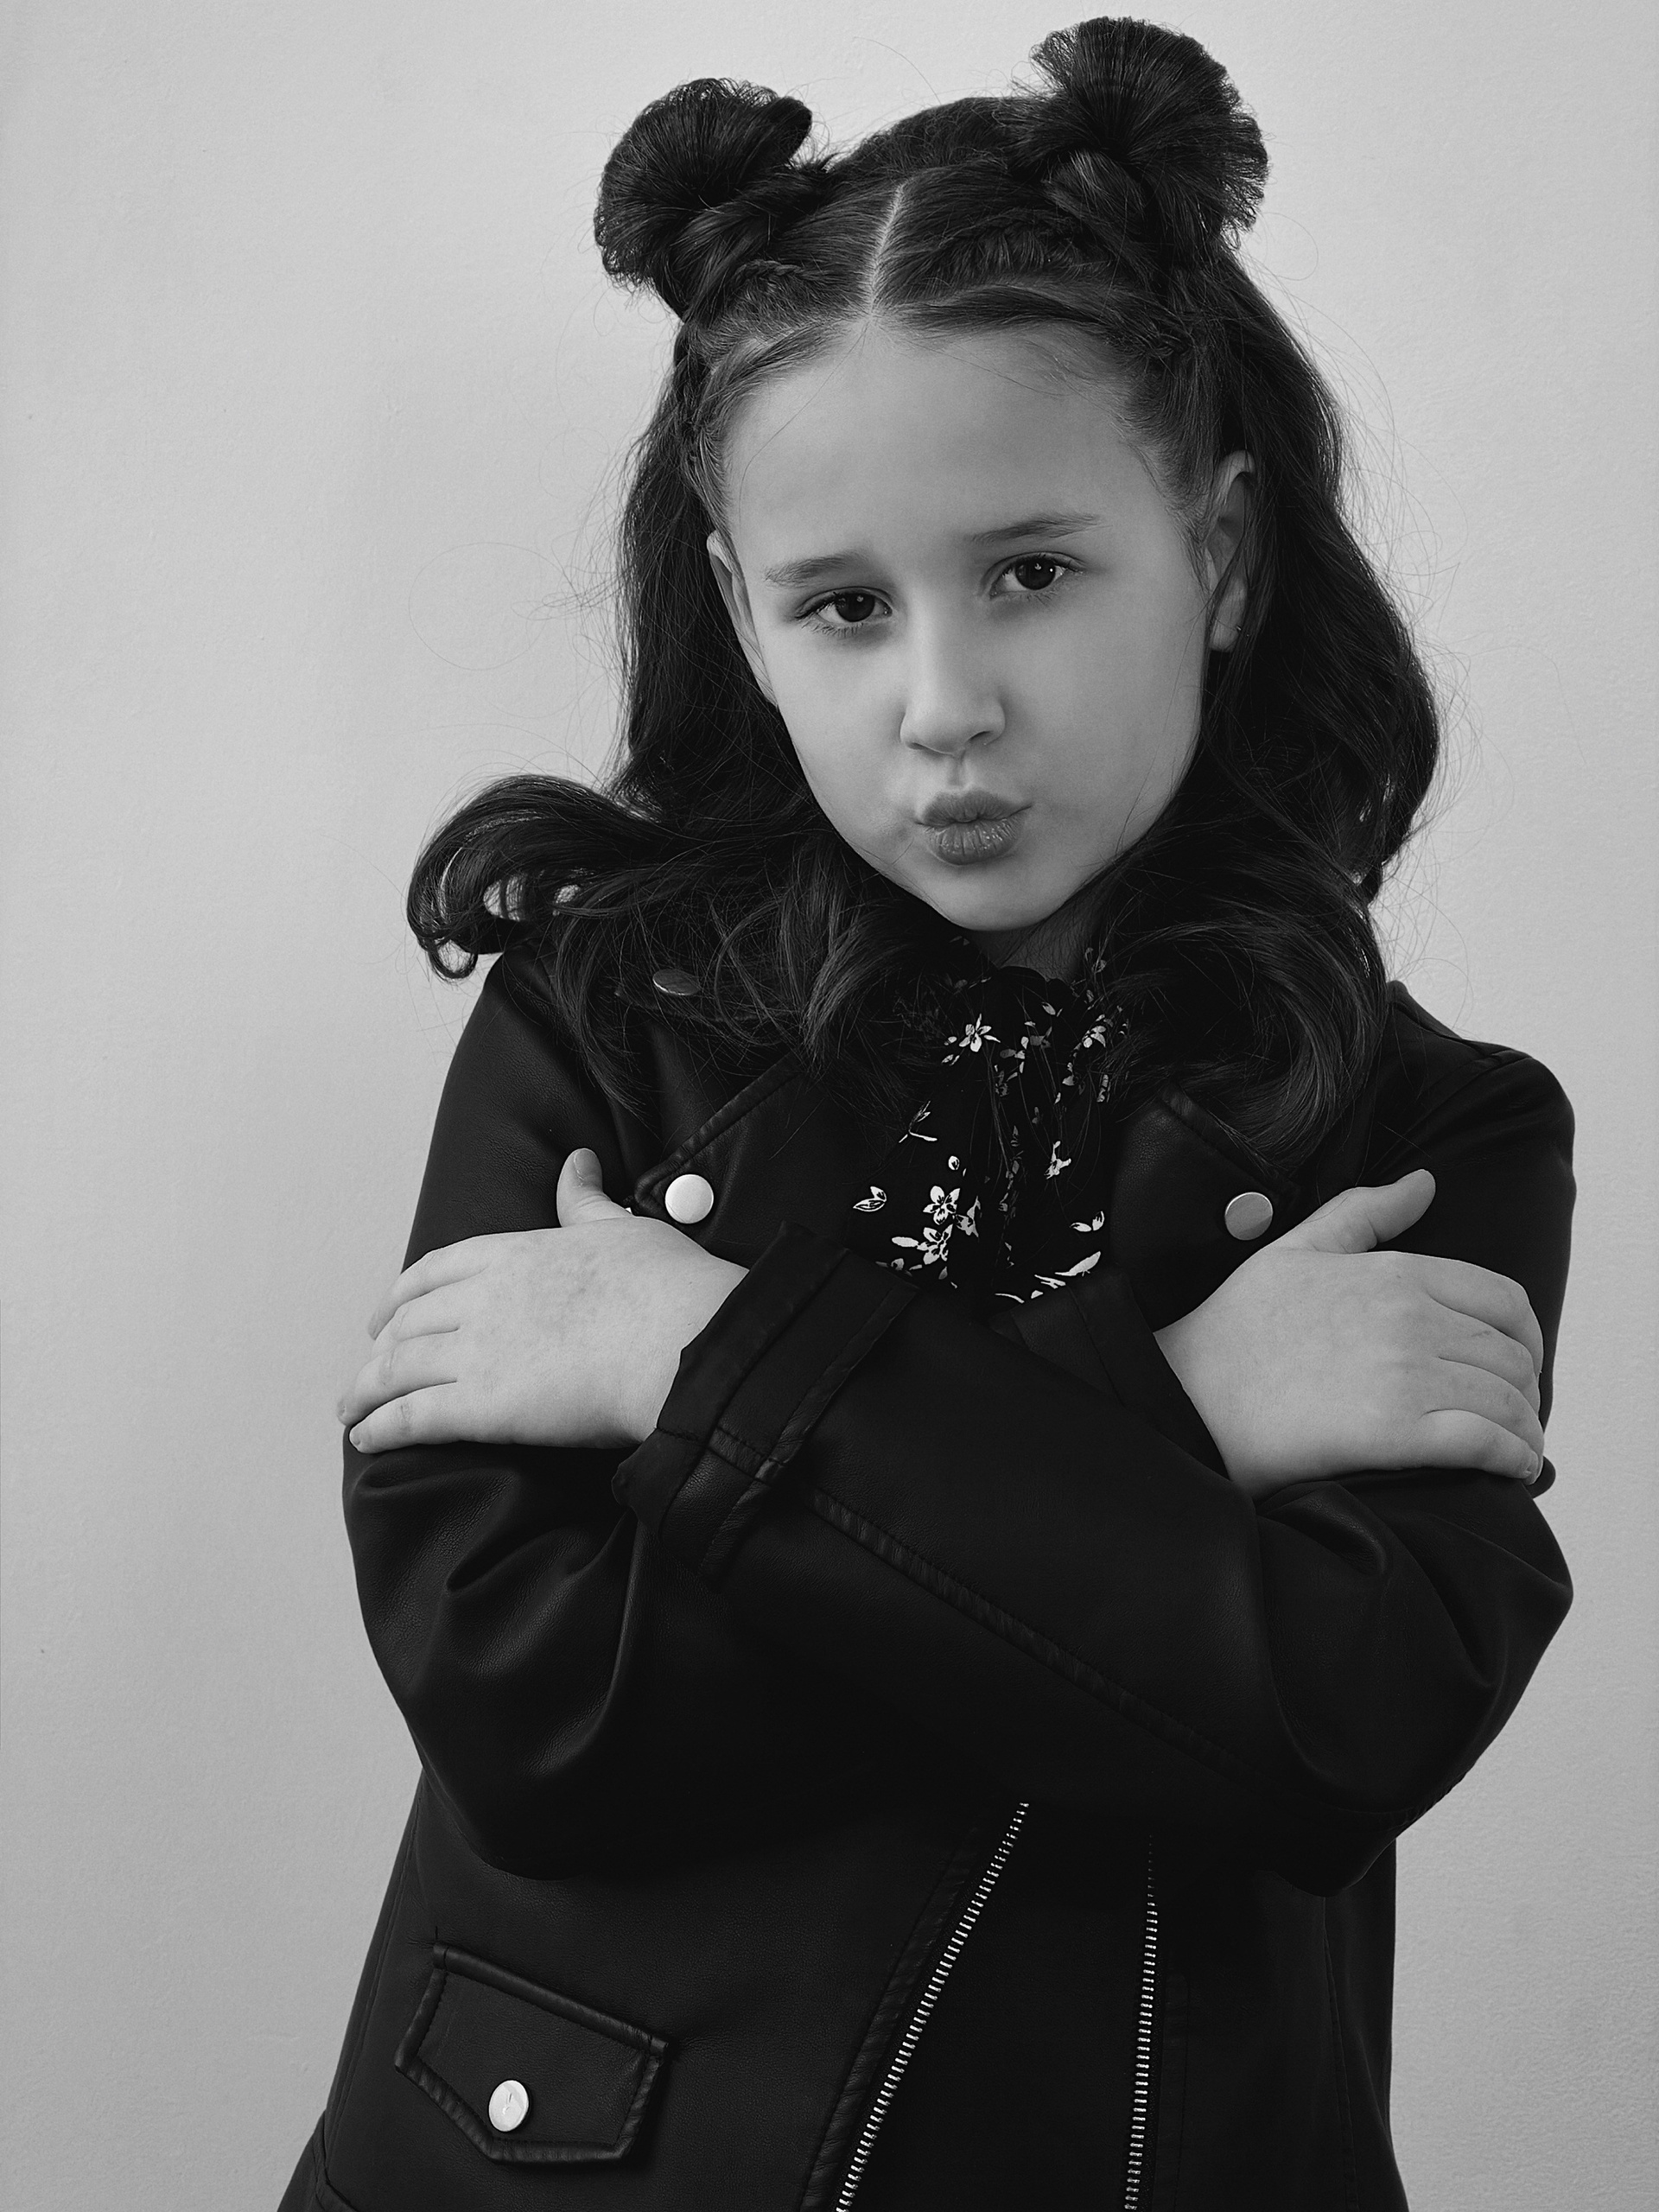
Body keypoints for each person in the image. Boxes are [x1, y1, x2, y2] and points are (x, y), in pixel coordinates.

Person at [279, 18, 1574, 2209]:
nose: (945, 706)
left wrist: (703, 1361)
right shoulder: (603, 1022)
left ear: (1221, 554)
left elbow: (1325, 1729)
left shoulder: (1429, 1134)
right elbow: (535, 1710)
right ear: (739, 608)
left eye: (1034, 572)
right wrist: (1170, 1417)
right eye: (847, 606)